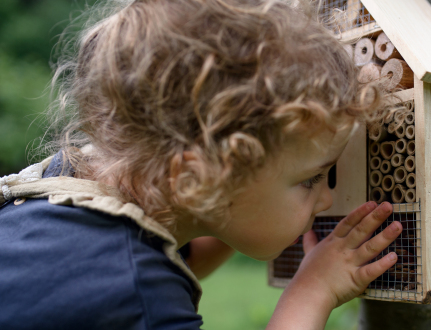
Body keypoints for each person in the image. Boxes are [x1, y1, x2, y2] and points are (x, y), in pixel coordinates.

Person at [0, 0, 402, 328]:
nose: (326, 198)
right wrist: (313, 290)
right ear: (198, 181)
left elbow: (187, 239)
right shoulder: (138, 291)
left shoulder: (60, 191)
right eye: (311, 178)